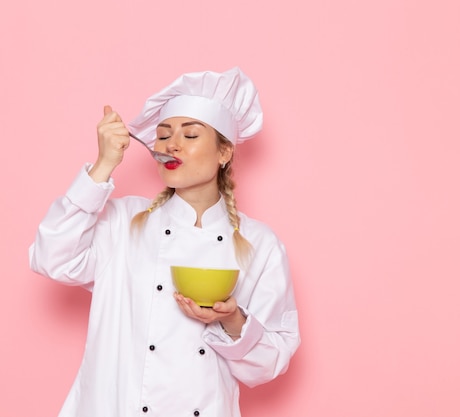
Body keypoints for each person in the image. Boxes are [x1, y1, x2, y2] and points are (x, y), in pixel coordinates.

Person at [29, 67, 300, 417]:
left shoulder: (260, 244)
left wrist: (232, 319)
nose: (171, 144)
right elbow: (51, 257)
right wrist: (103, 166)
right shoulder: (124, 222)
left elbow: (270, 363)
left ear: (224, 153)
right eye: (163, 135)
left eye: (190, 135)